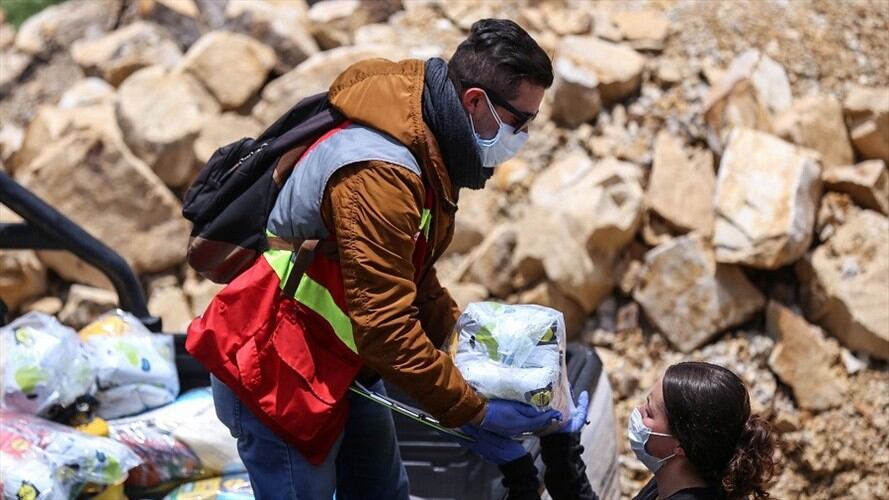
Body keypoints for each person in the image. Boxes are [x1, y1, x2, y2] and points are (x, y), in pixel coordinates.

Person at [208, 18, 558, 499]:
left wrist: (474, 352)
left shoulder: (427, 144)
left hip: (340, 364)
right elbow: (385, 326)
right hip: (276, 368)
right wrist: (473, 410)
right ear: (475, 102)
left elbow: (412, 276)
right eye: (520, 121)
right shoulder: (382, 175)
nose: (523, 136)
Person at [477, 362, 777, 500]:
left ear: (679, 446)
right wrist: (560, 443)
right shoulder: (680, 480)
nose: (636, 411)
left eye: (649, 412)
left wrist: (519, 473)